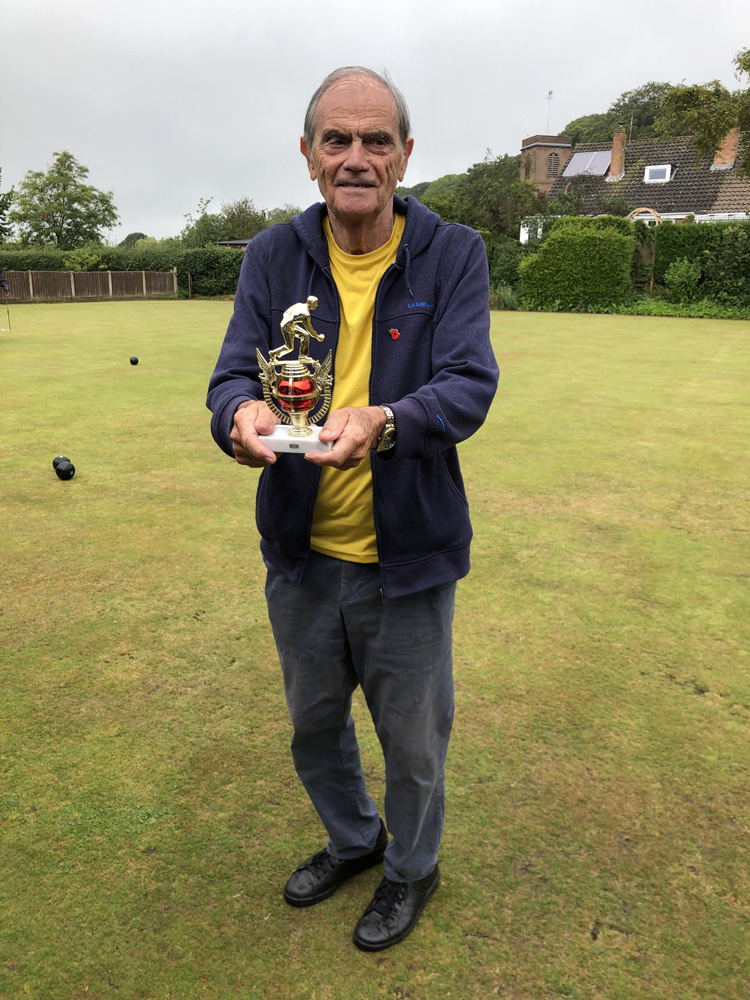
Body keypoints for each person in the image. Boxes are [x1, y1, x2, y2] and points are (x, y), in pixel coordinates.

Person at [207, 66, 498, 952]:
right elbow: (229, 377)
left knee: (413, 741)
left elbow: (468, 386)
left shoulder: (453, 253)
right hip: (300, 554)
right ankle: (353, 841)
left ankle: (412, 868)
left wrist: (383, 419)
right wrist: (240, 415)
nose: (357, 157)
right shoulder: (271, 255)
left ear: (406, 155)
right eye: (338, 139)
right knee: (314, 725)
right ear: (308, 156)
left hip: (406, 558)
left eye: (378, 140)